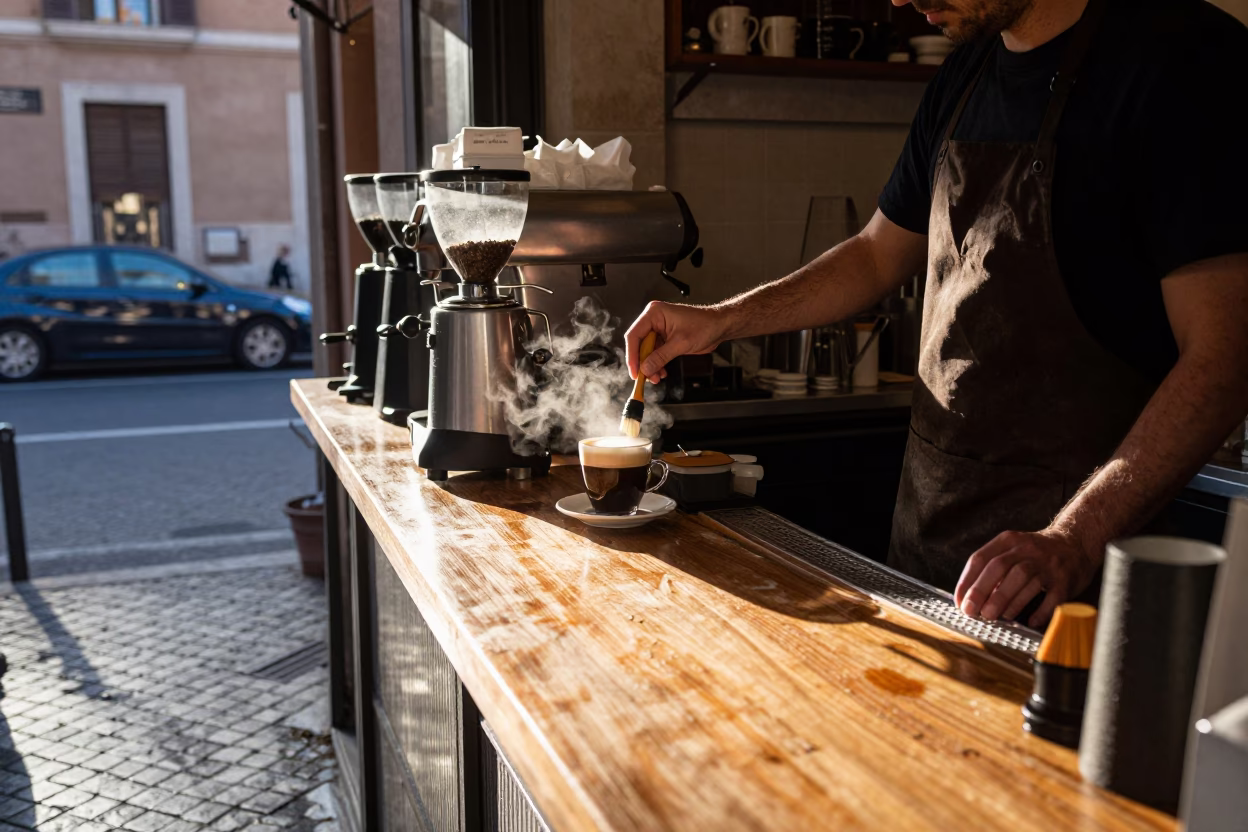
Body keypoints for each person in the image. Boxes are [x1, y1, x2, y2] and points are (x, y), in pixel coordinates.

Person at [625, 0, 1248, 628]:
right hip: (930, 542)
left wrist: (1073, 540)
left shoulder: (1185, 60)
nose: (895, 0)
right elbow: (874, 256)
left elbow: (1227, 355)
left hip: (1074, 582)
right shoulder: (966, 75)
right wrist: (720, 320)